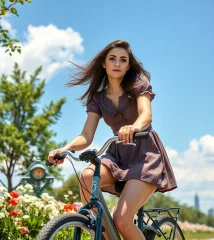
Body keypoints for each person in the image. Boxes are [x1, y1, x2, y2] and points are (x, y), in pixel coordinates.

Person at [48, 40, 177, 240]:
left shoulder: (138, 84)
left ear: (128, 66)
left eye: (123, 60)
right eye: (112, 59)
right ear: (104, 64)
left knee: (122, 219)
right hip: (117, 154)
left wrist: (134, 127)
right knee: (87, 177)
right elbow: (86, 136)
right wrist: (65, 148)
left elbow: (146, 115)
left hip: (145, 155)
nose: (117, 63)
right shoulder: (97, 99)